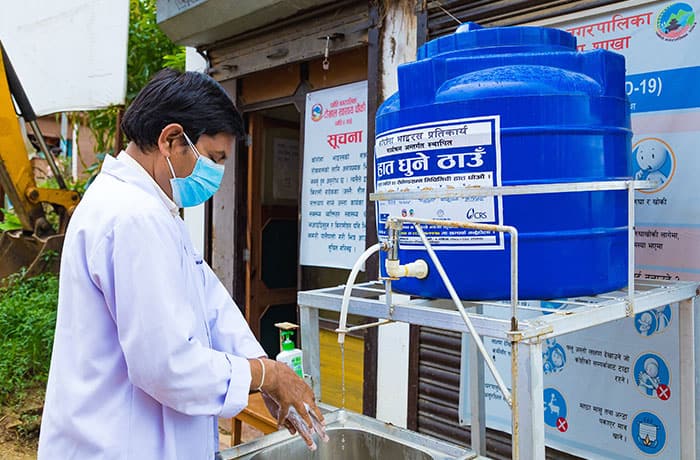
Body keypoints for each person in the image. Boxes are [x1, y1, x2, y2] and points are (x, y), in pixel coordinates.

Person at [37, 69, 325, 459]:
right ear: (172, 140)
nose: (218, 176)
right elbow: (167, 366)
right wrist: (267, 375)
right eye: (213, 158)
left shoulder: (151, 210)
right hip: (118, 443)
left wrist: (262, 369)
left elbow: (210, 303)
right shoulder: (134, 216)